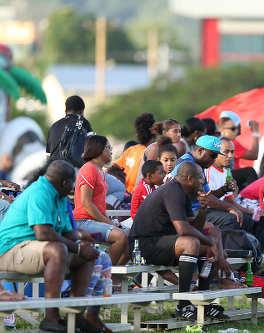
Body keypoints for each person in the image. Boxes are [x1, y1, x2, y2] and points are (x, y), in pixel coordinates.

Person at [0, 160, 99, 332]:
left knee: (85, 257)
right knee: (58, 249)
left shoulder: (59, 196)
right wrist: (78, 247)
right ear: (63, 182)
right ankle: (51, 318)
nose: (72, 187)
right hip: (11, 250)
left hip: (35, 249)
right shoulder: (40, 192)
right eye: (71, 182)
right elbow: (43, 233)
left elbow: (69, 233)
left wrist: (83, 244)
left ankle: (74, 315)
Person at [129, 162, 232, 320]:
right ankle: (183, 305)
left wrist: (203, 210)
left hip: (162, 241)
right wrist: (211, 243)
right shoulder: (173, 191)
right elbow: (183, 230)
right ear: (190, 179)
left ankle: (203, 303)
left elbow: (194, 226)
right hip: (143, 245)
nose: (203, 184)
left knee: (203, 246)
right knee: (191, 243)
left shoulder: (183, 192)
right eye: (201, 180)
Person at [73, 135, 129, 269]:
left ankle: (115, 280)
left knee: (132, 236)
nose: (111, 151)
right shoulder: (89, 169)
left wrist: (109, 221)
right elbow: (86, 202)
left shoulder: (101, 171)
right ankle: (103, 274)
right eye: (108, 148)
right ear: (98, 149)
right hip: (83, 222)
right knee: (120, 237)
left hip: (95, 221)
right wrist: (108, 222)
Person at [204, 137, 264, 249]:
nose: (230, 156)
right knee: (235, 219)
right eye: (226, 152)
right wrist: (234, 210)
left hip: (225, 209)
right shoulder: (208, 170)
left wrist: (250, 212)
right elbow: (209, 200)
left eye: (232, 152)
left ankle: (257, 256)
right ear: (216, 152)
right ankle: (233, 252)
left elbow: (230, 201)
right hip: (209, 211)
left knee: (259, 219)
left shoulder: (225, 172)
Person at [46, 95, 93, 168]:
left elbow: (48, 156)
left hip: (54, 169)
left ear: (65, 111)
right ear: (82, 111)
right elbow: (92, 149)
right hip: (74, 170)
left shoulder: (53, 126)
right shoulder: (84, 122)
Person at [114, 113, 156, 193]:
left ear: (137, 133)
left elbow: (112, 169)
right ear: (154, 132)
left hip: (125, 196)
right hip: (138, 197)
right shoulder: (154, 152)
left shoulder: (131, 150)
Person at [218, 111, 259, 189]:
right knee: (249, 172)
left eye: (237, 128)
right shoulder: (230, 143)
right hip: (224, 177)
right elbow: (254, 155)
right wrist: (255, 133)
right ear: (222, 129)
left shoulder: (226, 141)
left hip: (227, 175)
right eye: (233, 129)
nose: (236, 131)